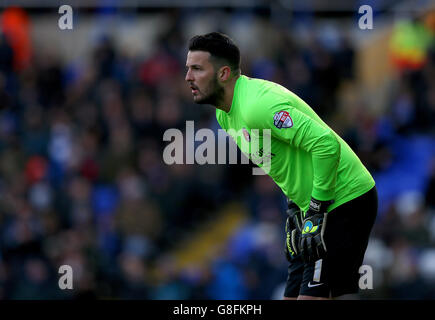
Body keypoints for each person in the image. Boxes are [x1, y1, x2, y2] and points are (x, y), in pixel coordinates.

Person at [184, 32, 378, 300]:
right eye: (188, 69)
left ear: (223, 73)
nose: (188, 77)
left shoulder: (257, 105)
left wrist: (315, 210)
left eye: (196, 69)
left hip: (344, 198)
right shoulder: (224, 113)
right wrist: (294, 210)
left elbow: (325, 145)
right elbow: (280, 160)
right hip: (311, 208)